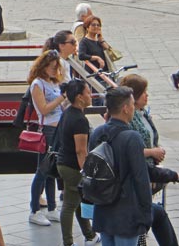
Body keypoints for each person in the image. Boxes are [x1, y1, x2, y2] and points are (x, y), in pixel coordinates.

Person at [120, 74, 179, 246]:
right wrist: (152, 153)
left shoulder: (142, 114)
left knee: (155, 213)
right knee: (148, 217)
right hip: (136, 180)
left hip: (147, 173)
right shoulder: (127, 124)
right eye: (143, 92)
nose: (147, 95)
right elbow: (130, 152)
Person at [89, 86, 152, 246]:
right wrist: (146, 213)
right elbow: (140, 178)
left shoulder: (97, 133)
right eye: (131, 104)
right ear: (125, 108)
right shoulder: (132, 137)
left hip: (103, 208)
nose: (133, 108)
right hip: (127, 213)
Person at [57, 79, 101, 246]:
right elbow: (81, 150)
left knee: (75, 202)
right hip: (72, 166)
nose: (91, 95)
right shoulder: (79, 120)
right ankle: (68, 242)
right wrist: (86, 172)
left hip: (63, 163)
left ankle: (90, 235)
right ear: (80, 97)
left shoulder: (68, 112)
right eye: (88, 92)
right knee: (70, 204)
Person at [27, 50, 66, 226]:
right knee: (42, 171)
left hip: (59, 129)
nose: (54, 70)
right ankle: (34, 210)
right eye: (51, 67)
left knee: (52, 171)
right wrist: (62, 98)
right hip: (47, 130)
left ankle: (51, 208)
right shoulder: (37, 84)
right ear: (43, 67)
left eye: (56, 68)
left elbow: (58, 106)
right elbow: (43, 109)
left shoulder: (54, 83)